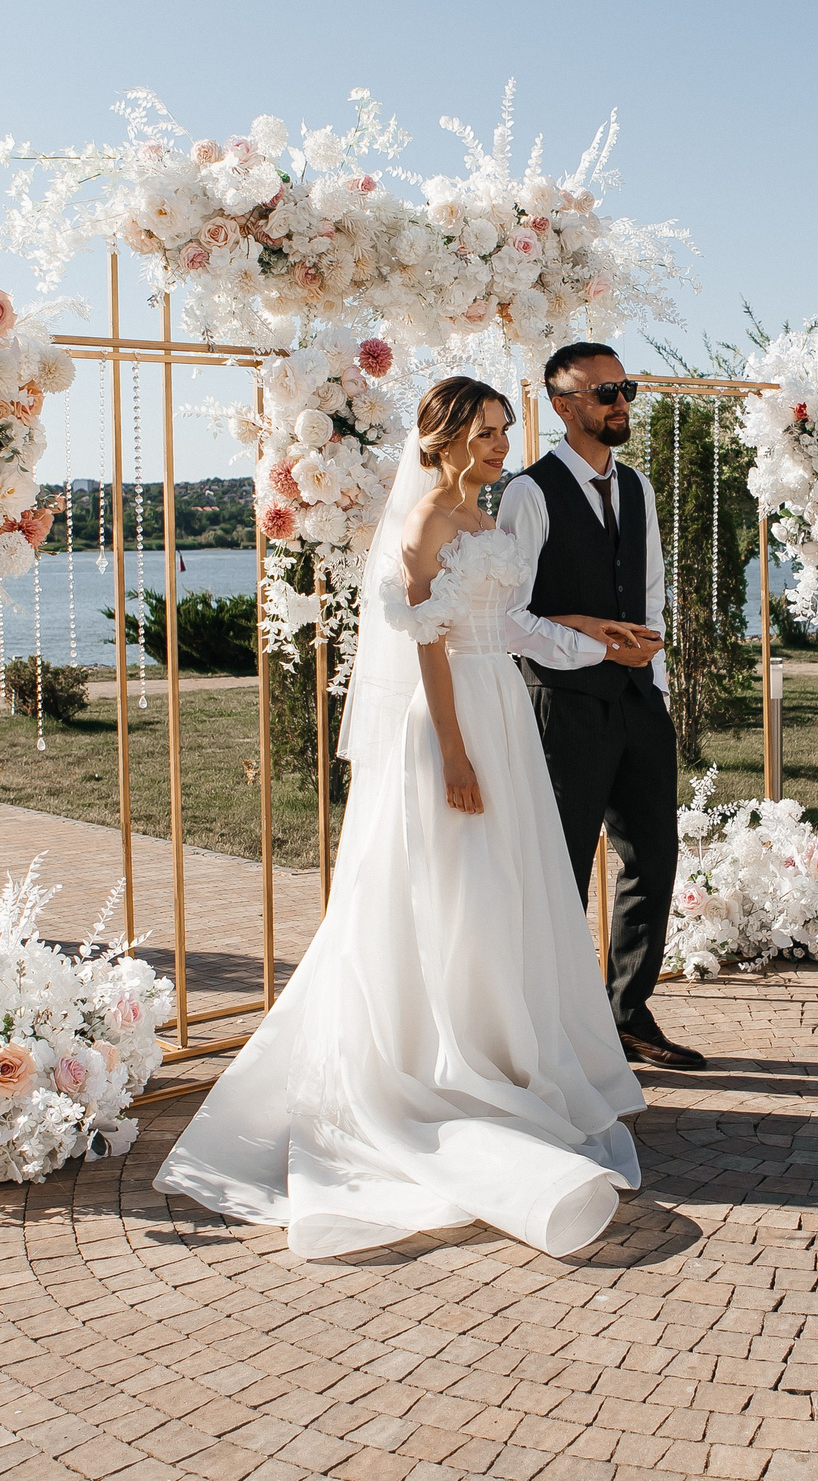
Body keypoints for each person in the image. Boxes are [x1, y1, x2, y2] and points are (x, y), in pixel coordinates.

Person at [153, 378, 644, 1260]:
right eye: (487, 433)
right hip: (453, 721)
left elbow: (507, 627)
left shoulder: (489, 522)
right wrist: (454, 752)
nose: (501, 447)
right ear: (447, 436)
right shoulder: (423, 526)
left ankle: (502, 1042)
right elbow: (431, 648)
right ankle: (440, 1054)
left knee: (509, 887)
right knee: (453, 886)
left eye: (504, 431)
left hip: (504, 714)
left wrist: (593, 633)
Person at [496, 342, 704, 1072]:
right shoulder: (529, 492)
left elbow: (649, 595)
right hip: (564, 707)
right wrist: (597, 653)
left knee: (654, 855)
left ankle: (627, 1012)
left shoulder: (638, 488)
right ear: (562, 404)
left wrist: (656, 685)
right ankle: (555, 1026)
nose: (620, 403)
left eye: (626, 388)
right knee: (563, 868)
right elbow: (508, 618)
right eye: (604, 392)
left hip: (638, 703)